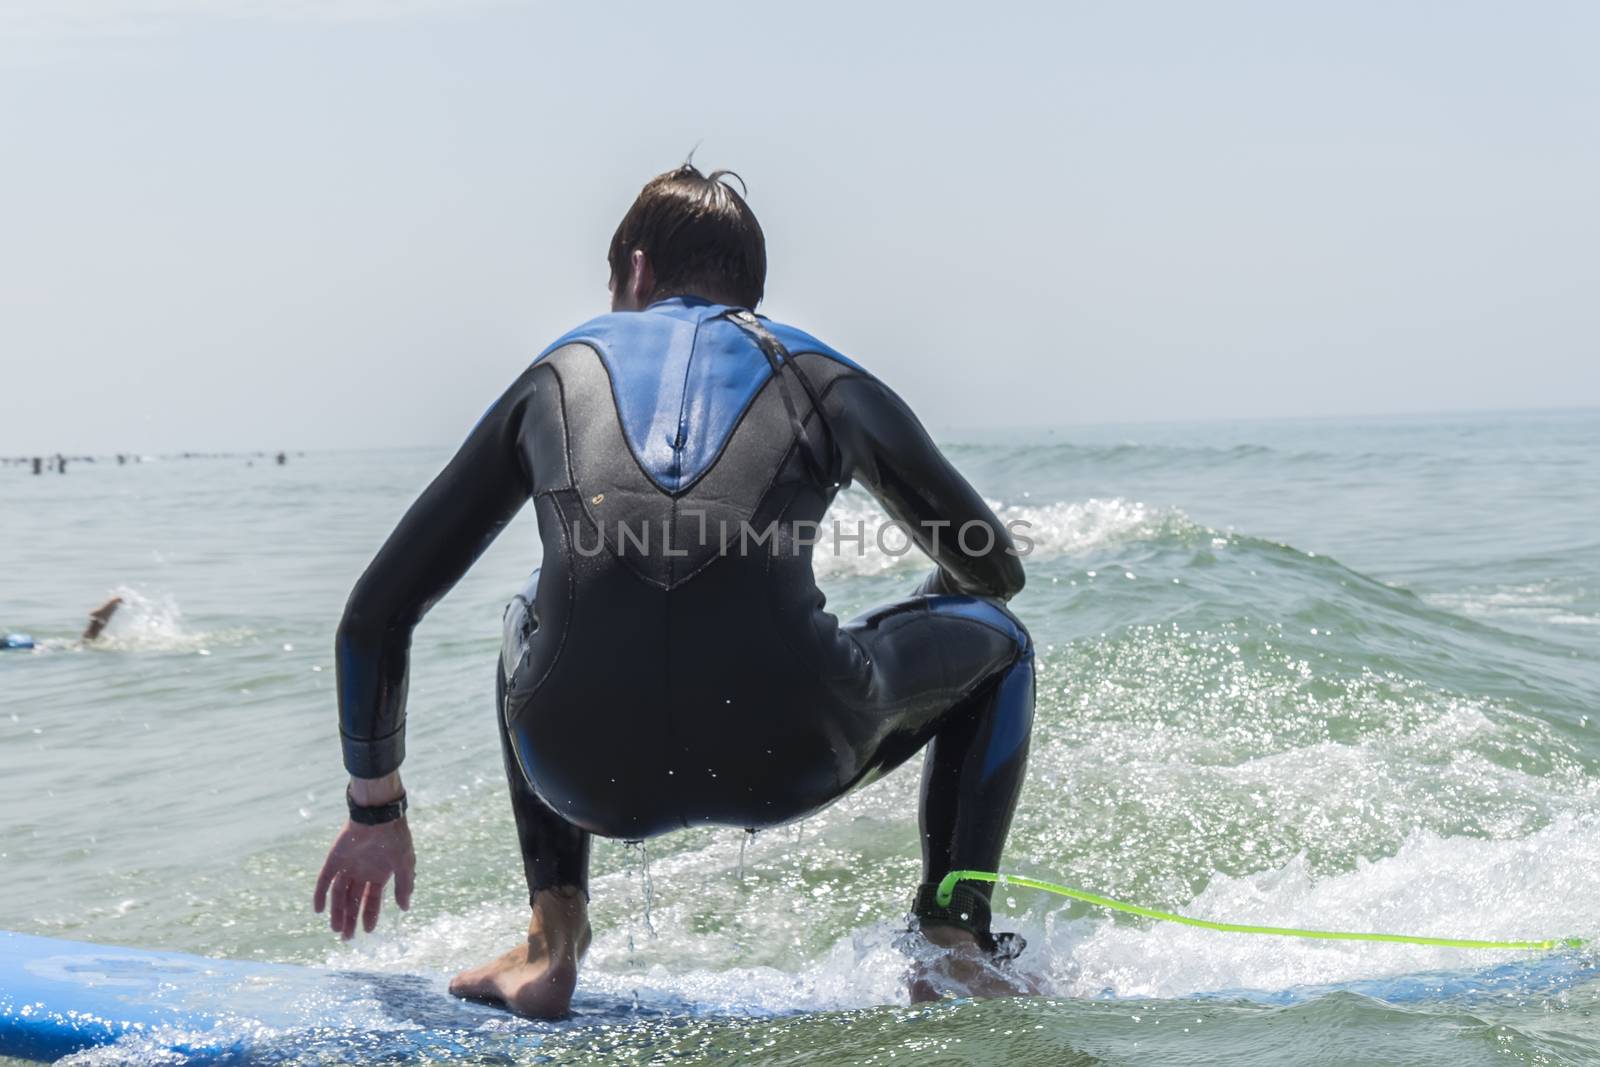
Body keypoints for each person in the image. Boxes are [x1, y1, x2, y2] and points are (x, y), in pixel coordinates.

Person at [312, 165, 1036, 1016]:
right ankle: (953, 942)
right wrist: (931, 608)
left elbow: (377, 612)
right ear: (753, 293)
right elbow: (994, 569)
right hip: (796, 749)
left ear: (639, 271)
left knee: (525, 619)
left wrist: (375, 811)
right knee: (1002, 644)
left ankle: (552, 944)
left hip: (581, 768)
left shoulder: (556, 373)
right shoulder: (823, 375)